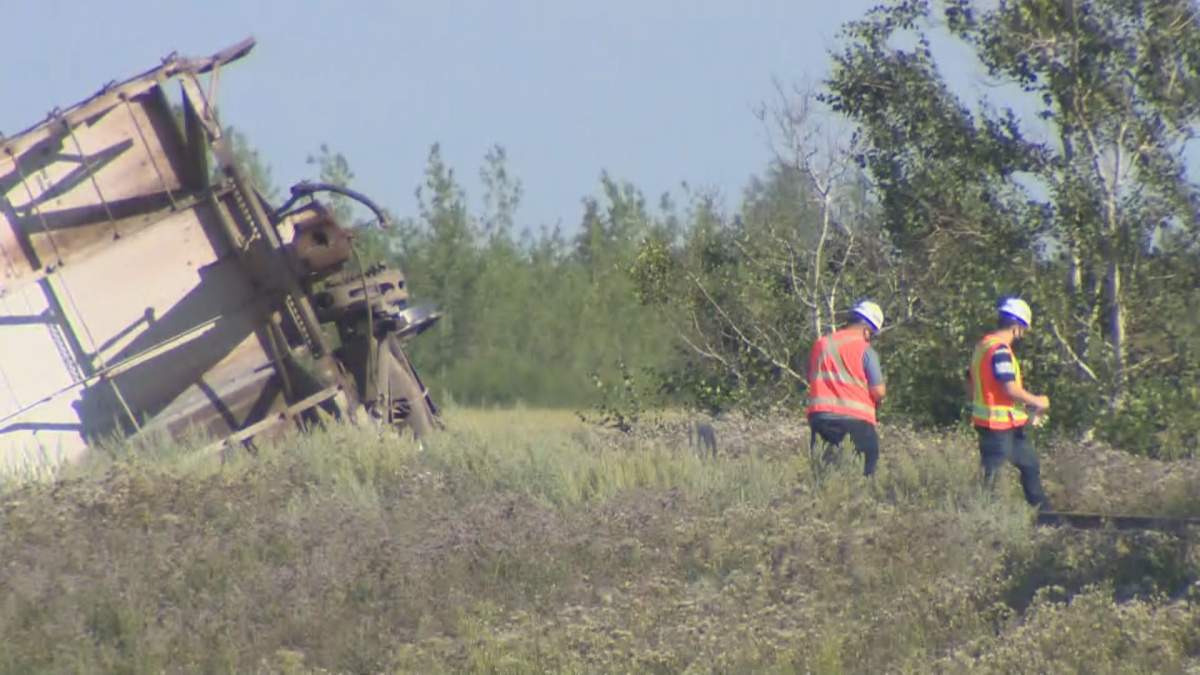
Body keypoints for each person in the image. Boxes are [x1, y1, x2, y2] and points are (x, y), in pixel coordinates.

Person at [966, 297, 1052, 509]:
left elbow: (968, 381)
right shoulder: (1001, 351)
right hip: (999, 427)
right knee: (992, 478)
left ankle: (1045, 515)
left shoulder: (983, 346)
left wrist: (981, 401)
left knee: (1029, 465)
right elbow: (1009, 388)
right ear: (1017, 328)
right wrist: (1038, 401)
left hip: (1004, 425)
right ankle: (981, 518)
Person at [806, 300, 887, 476]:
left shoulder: (820, 345)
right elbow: (878, 391)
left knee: (824, 474)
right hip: (857, 423)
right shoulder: (865, 350)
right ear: (867, 330)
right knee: (863, 476)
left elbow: (811, 377)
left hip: (821, 420)